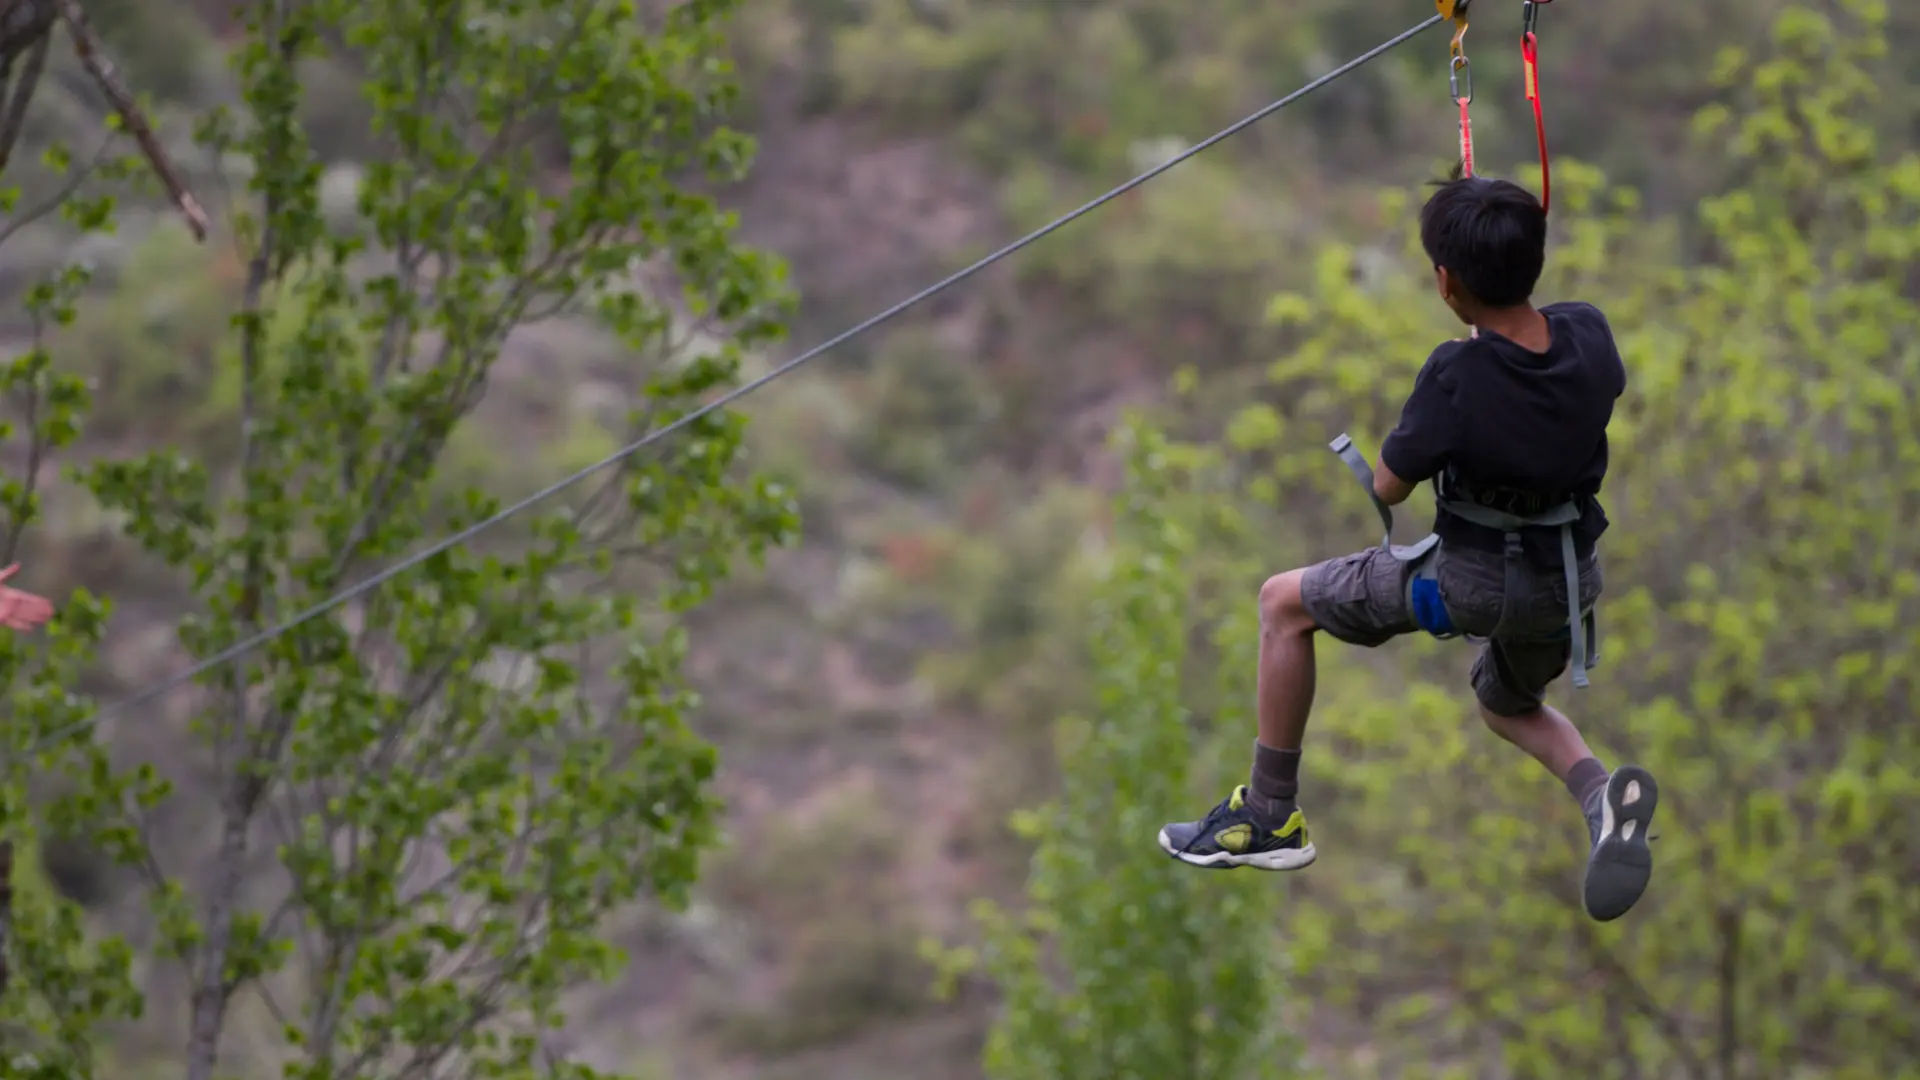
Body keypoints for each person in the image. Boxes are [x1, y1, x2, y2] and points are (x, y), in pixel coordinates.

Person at [1156, 176, 1659, 923]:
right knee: (1508, 703)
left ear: (1445, 283)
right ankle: (1597, 798)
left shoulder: (1455, 375)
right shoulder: (1589, 333)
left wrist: (1462, 367)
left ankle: (1270, 812)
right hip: (1564, 587)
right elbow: (1551, 373)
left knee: (1282, 604)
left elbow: (1390, 488)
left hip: (1470, 583)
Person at [0, 563, 54, 631]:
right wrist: (20, 625)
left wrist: (10, 570)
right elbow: (8, 621)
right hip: (20, 611)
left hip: (23, 601)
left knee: (45, 608)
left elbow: (7, 572)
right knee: (44, 615)